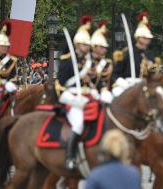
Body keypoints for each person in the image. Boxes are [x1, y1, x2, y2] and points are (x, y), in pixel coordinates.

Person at [57, 15, 93, 170]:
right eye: (84, 45)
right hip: (71, 97)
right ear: (77, 45)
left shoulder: (86, 62)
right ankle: (70, 157)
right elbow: (60, 87)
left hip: (86, 97)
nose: (87, 47)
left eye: (88, 45)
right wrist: (74, 100)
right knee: (77, 124)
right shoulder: (67, 61)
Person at [112, 11, 154, 80]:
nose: (147, 39)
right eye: (144, 37)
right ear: (137, 37)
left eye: (148, 38)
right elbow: (115, 74)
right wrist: (123, 83)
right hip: (127, 85)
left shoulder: (150, 56)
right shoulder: (126, 53)